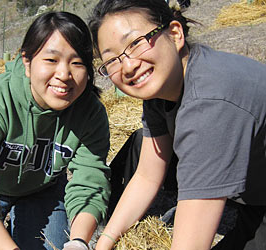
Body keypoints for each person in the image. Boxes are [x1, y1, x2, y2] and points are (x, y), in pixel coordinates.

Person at [88, 0, 266, 249]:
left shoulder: (209, 102)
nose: (128, 65)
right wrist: (103, 242)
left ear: (175, 33)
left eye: (136, 43)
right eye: (113, 60)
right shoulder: (161, 90)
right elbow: (148, 176)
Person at [0, 11, 111, 250]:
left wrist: (79, 242)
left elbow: (89, 183)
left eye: (77, 62)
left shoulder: (90, 113)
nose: (64, 75)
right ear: (27, 62)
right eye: (51, 60)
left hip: (44, 191)